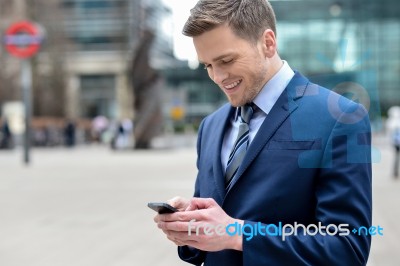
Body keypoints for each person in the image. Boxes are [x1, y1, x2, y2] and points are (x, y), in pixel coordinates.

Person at [153, 0, 372, 265]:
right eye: (208, 65)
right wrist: (190, 226)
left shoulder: (340, 118)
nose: (218, 77)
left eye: (226, 60)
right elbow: (216, 233)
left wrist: (238, 234)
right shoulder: (210, 126)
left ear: (268, 43)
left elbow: (347, 247)